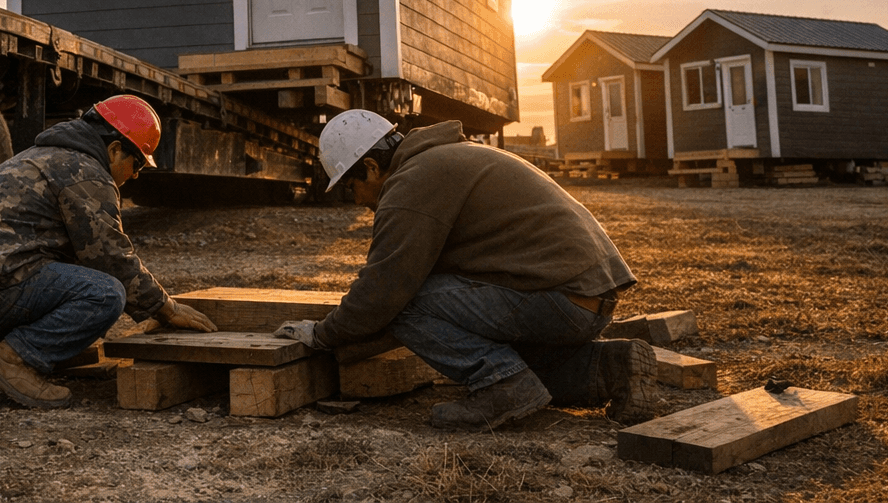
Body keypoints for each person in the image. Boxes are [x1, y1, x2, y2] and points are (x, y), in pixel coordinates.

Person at [275, 110, 659, 431]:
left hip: (556, 299)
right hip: (585, 300)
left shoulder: (413, 182)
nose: (356, 201)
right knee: (499, 349)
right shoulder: (448, 158)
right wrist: (355, 345)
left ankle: (504, 387)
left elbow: (385, 292)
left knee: (408, 302)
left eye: (349, 188)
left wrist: (323, 335)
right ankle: (613, 369)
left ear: (372, 167)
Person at [0, 95, 217, 408]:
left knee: (74, 272)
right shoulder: (86, 172)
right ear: (115, 150)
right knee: (105, 294)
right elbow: (112, 258)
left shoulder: (42, 155)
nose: (137, 173)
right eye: (137, 162)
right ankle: (9, 360)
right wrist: (166, 308)